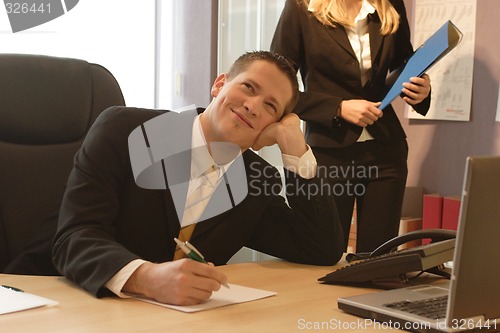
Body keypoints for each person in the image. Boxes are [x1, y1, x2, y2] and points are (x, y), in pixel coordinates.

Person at [52, 51, 344, 306]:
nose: (253, 106)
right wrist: (147, 277)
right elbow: (74, 237)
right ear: (219, 85)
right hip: (74, 303)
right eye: (248, 87)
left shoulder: (258, 179)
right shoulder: (124, 130)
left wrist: (295, 149)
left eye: (271, 107)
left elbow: (320, 248)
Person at [271, 0, 431, 253]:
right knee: (326, 251)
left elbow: (404, 66)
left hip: (386, 150)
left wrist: (421, 89)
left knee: (379, 258)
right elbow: (276, 87)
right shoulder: (301, 8)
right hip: (328, 151)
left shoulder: (390, 4)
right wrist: (338, 108)